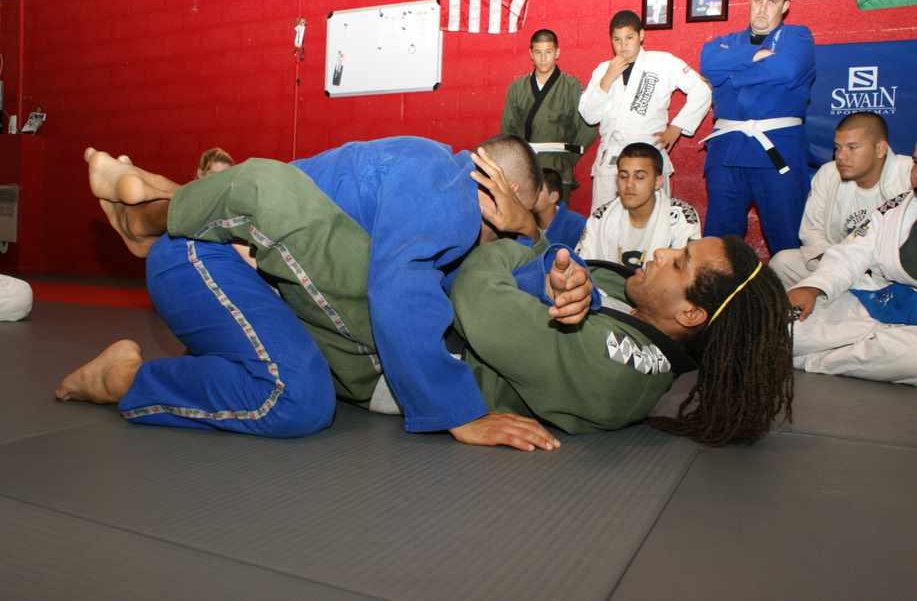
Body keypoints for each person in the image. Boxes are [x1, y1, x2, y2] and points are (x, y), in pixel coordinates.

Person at [59, 136, 595, 452]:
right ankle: (131, 367)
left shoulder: (440, 202)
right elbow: (400, 293)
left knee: (309, 396)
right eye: (520, 214)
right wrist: (459, 412)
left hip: (250, 277)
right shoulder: (450, 196)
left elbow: (491, 277)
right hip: (202, 253)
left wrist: (551, 264)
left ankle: (154, 215)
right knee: (296, 395)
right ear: (499, 190)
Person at [451, 234, 795, 445]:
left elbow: (477, 299)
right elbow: (545, 257)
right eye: (678, 248)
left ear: (690, 314)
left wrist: (500, 245)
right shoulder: (631, 297)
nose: (661, 252)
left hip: (433, 354)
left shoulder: (618, 365)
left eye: (679, 263)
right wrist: (535, 256)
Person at [700, 0, 815, 255]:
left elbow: (787, 69)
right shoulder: (725, 41)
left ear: (785, 6)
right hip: (727, 150)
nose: (763, 8)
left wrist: (732, 76)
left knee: (787, 241)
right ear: (750, 1)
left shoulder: (797, 37)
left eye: (772, 2)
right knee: (718, 246)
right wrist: (755, 56)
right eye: (758, 0)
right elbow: (708, 63)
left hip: (777, 149)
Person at [578, 10, 711, 212]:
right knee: (605, 223)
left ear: (641, 35)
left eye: (629, 38)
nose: (623, 45)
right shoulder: (603, 70)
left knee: (653, 221)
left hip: (648, 152)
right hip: (611, 158)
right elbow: (589, 116)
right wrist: (607, 79)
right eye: (617, 40)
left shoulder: (663, 62)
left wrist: (677, 128)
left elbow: (702, 90)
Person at [789, 185, 917, 385]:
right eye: (916, 167)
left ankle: (813, 361)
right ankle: (858, 351)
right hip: (876, 298)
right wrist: (813, 287)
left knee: (911, 358)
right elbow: (850, 253)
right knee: (788, 331)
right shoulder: (896, 206)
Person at [770, 114, 915, 288]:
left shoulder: (909, 174)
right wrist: (833, 267)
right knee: (782, 262)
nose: (840, 156)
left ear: (880, 149)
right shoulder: (828, 173)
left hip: (889, 275)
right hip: (840, 264)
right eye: (838, 147)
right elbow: (811, 231)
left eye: (852, 148)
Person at [501, 29, 596, 200]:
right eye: (538, 52)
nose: (543, 58)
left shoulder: (571, 87)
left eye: (548, 52)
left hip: (559, 165)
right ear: (531, 54)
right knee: (524, 215)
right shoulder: (517, 88)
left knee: (557, 215)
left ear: (557, 53)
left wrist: (568, 158)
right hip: (527, 165)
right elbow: (508, 131)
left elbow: (588, 128)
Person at [575, 143, 701, 269]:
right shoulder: (600, 217)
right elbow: (582, 268)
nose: (629, 184)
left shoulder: (681, 217)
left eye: (639, 177)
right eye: (623, 176)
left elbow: (686, 275)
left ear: (657, 182)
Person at [533, 168, 587, 248]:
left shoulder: (578, 226)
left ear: (553, 197)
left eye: (537, 190)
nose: (530, 194)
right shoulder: (525, 225)